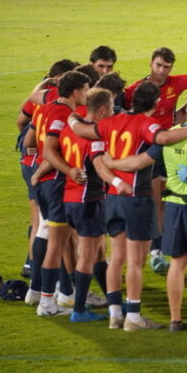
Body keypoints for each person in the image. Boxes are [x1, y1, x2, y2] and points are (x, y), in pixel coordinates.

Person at [69, 82, 187, 331]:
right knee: (135, 261)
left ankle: (115, 313)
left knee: (116, 257)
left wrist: (72, 116)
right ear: (155, 103)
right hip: (137, 197)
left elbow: (83, 131)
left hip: (112, 197)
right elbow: (165, 137)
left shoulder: (112, 122)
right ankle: (133, 317)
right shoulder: (147, 125)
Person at [104, 92, 187, 333]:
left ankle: (175, 320)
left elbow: (141, 162)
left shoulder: (168, 135)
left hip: (172, 206)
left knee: (177, 264)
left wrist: (111, 165)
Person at [124, 47, 187, 274]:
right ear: (150, 64)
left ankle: (163, 246)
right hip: (149, 148)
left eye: (166, 67)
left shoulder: (176, 83)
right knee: (155, 200)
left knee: (167, 199)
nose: (162, 71)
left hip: (172, 146)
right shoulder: (135, 90)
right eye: (158, 65)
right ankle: (154, 250)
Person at [60, 87, 131, 322]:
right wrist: (117, 178)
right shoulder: (94, 136)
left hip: (70, 198)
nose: (113, 111)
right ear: (102, 110)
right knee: (88, 255)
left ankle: (113, 300)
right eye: (111, 107)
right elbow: (100, 166)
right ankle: (79, 310)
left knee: (100, 252)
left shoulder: (70, 128)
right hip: (88, 200)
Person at [24, 71, 91, 316]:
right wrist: (69, 170)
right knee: (58, 244)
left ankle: (38, 292)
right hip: (55, 183)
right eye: (85, 89)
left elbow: (31, 143)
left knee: (49, 235)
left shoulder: (43, 108)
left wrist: (36, 171)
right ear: (75, 92)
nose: (87, 93)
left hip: (43, 180)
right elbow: (52, 151)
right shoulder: (64, 115)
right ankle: (48, 303)